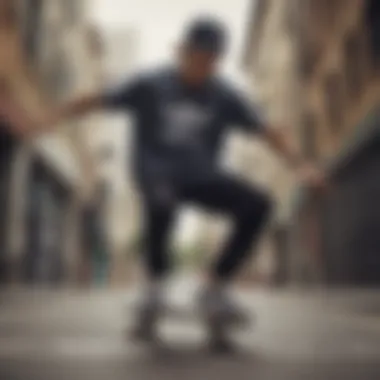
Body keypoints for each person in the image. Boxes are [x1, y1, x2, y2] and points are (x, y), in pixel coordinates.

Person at [6, 17, 327, 333]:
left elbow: (270, 132)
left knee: (259, 204)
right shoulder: (149, 83)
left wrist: (302, 166)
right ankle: (155, 286)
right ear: (181, 52)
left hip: (202, 175)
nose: (201, 68)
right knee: (162, 201)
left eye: (209, 62)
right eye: (195, 58)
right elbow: (96, 99)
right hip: (156, 170)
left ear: (217, 61)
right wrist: (48, 118)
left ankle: (214, 288)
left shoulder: (225, 95)